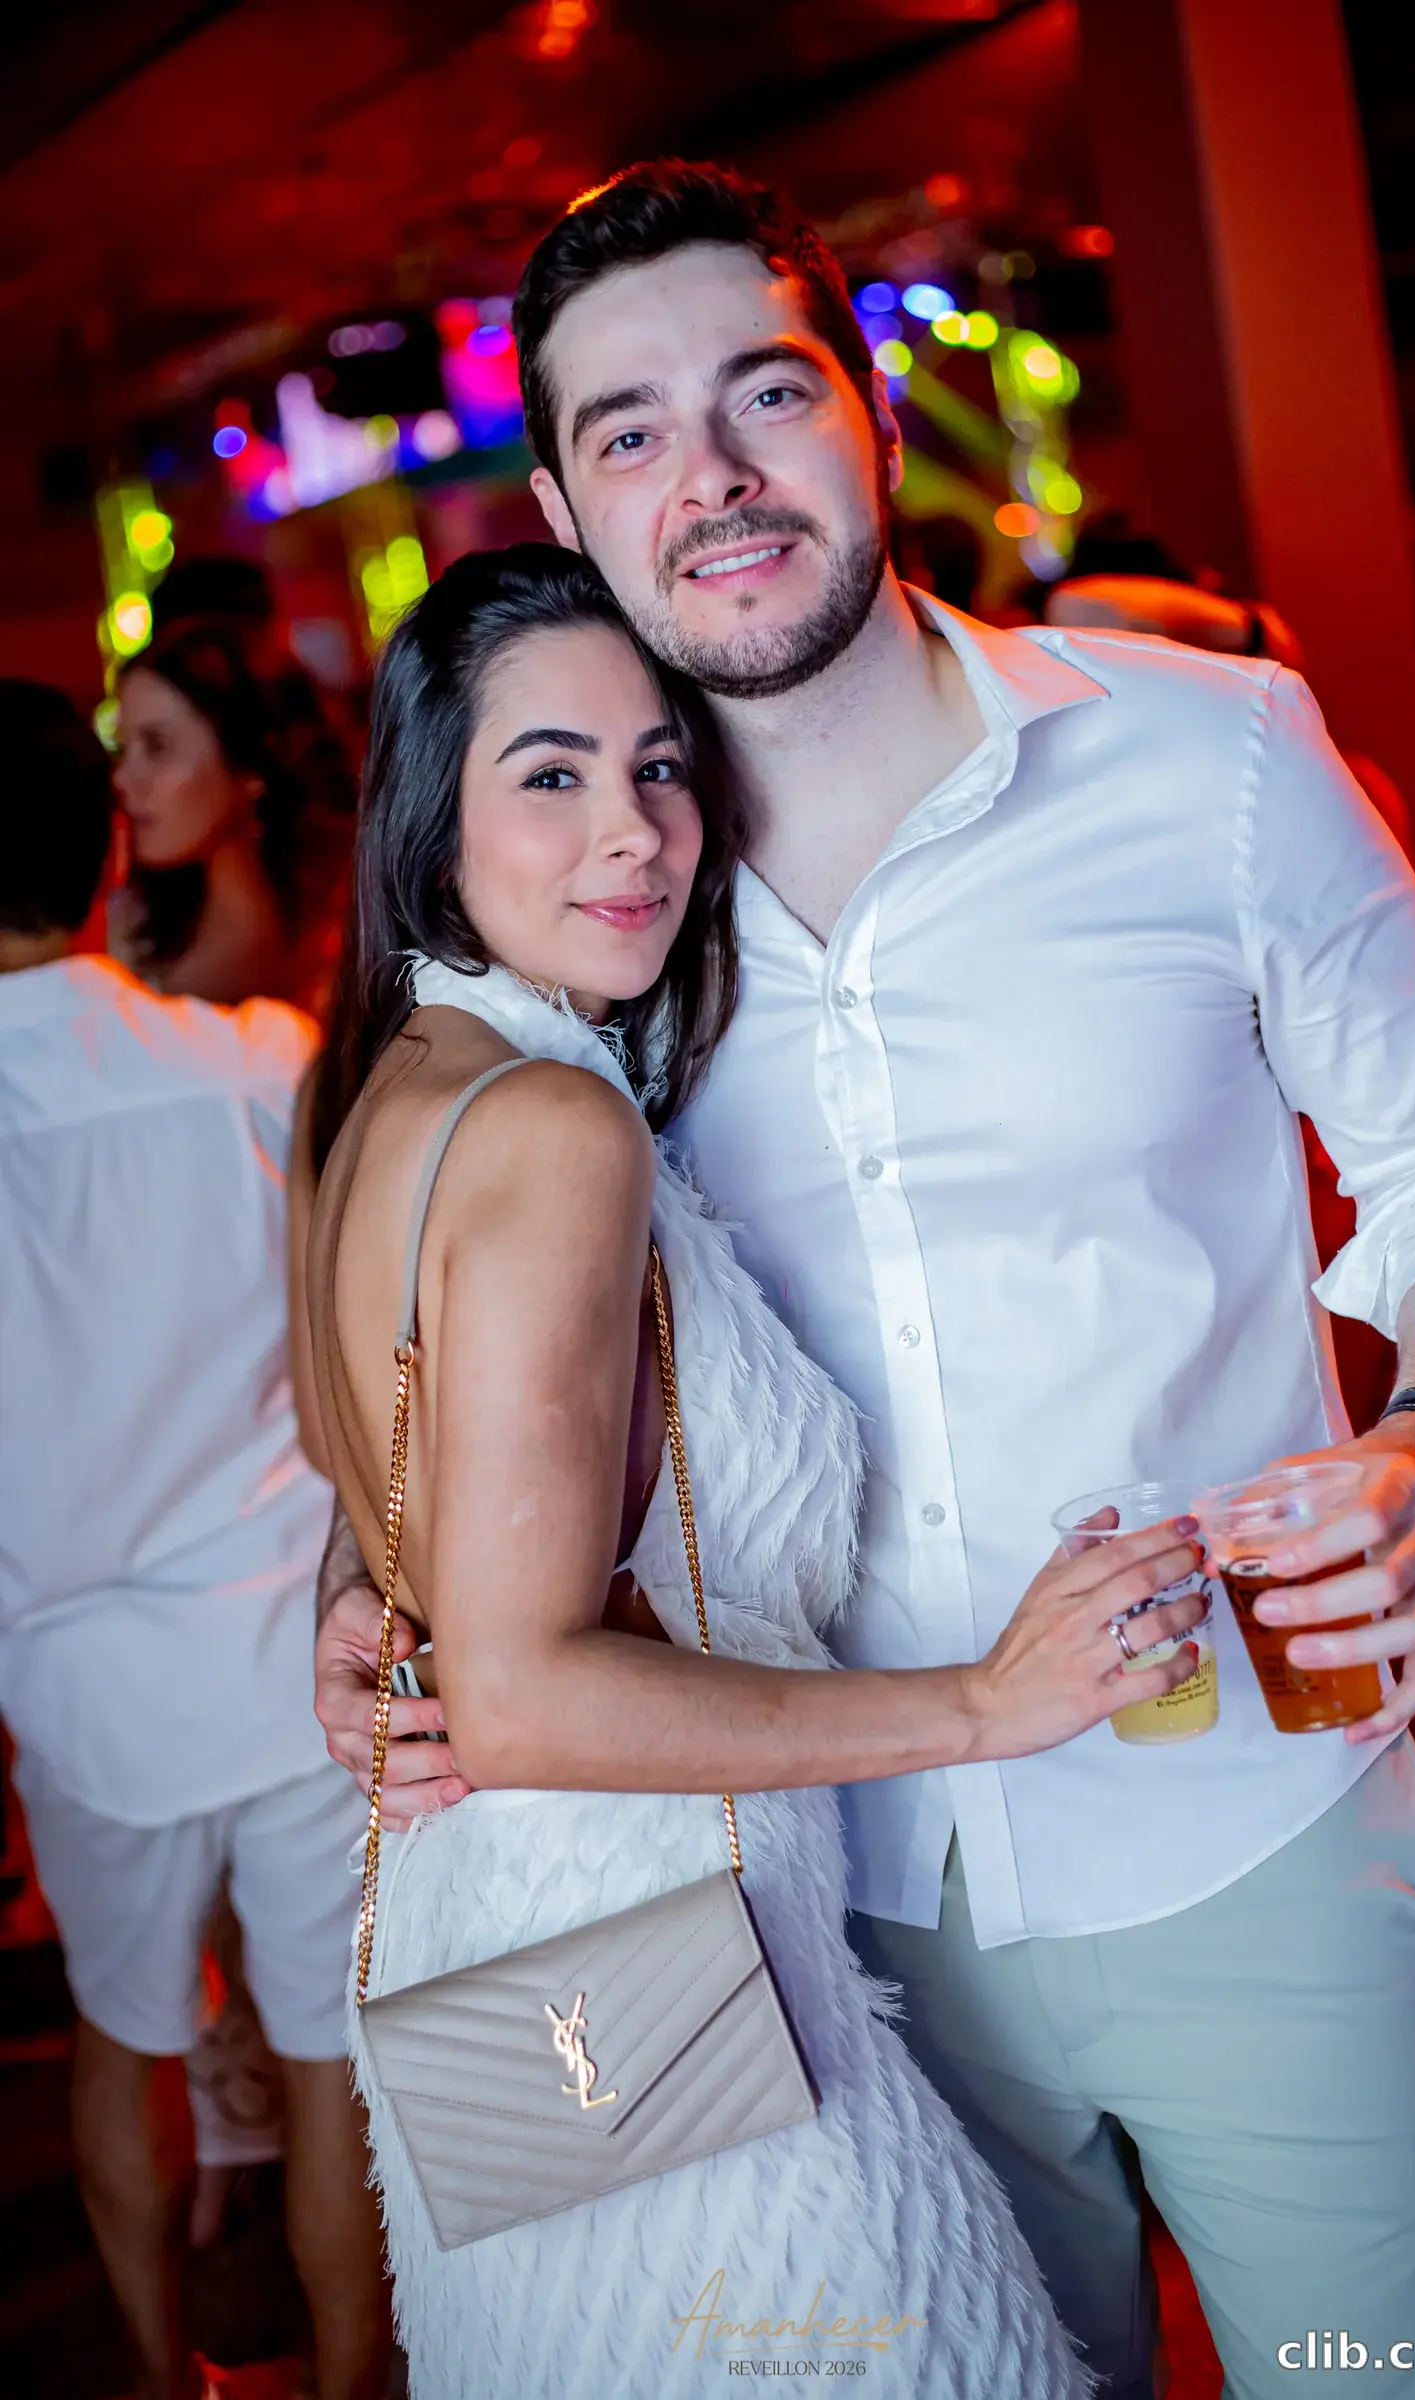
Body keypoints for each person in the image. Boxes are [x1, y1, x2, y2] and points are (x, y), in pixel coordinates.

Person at [312, 162, 1415, 2397]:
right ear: (568, 508)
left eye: (765, 390)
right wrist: (380, 1573)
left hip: (1254, 1833)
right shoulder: (605, 902)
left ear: (874, 414)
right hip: (816, 1913)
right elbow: (465, 1314)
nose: (711, 473)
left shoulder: (1209, 753)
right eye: (630, 429)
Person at [303, 542, 1204, 2397]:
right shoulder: (553, 1128)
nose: (632, 831)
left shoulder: (388, 1085)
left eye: (659, 764)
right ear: (433, 820)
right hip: (651, 1964)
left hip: (504, 1967)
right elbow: (524, 1696)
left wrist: (355, 1604)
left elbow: (395, 1465)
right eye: (550, 774)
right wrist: (985, 1703)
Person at [0, 680, 387, 2400]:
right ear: (104, 852)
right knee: (326, 2067)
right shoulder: (255, 1062)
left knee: (122, 2042)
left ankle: (162, 2378)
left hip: (78, 1679)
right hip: (289, 1647)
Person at [112, 616, 357, 1024]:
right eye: (122, 747)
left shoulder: (350, 946)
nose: (122, 777)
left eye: (156, 746)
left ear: (249, 765)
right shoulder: (120, 940)